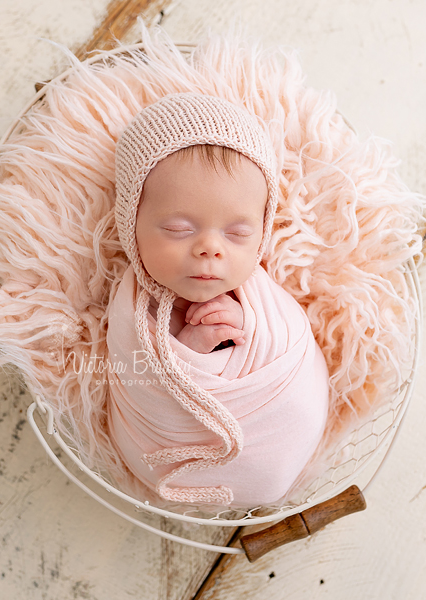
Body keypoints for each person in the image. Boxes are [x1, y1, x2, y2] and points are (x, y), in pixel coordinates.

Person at [107, 93, 329, 507]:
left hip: (288, 426)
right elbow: (142, 381)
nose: (210, 248)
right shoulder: (132, 310)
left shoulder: (261, 293)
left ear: (262, 232)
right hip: (172, 459)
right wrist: (189, 351)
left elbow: (290, 340)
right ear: (131, 221)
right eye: (177, 228)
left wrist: (249, 325)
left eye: (238, 234)